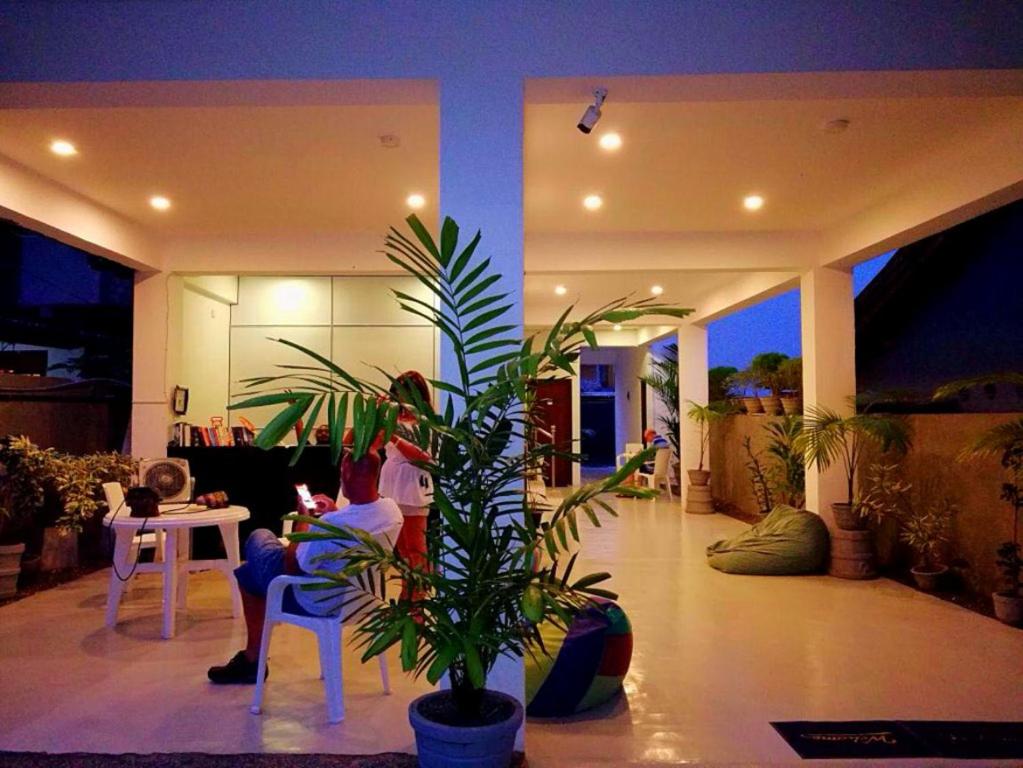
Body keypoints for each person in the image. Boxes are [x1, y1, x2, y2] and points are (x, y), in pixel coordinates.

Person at [207, 450, 402, 685]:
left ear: (347, 473)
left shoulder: (331, 524)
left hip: (316, 600)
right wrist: (334, 513)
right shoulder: (391, 511)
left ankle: (252, 661)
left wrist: (304, 518)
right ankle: (251, 660)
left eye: (341, 474)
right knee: (247, 575)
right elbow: (354, 530)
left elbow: (293, 566)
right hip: (362, 598)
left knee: (259, 537)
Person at [378, 370, 434, 602]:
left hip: (413, 484)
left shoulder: (425, 422)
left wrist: (393, 436)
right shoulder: (394, 418)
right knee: (399, 549)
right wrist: (377, 415)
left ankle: (417, 597)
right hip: (391, 484)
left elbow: (424, 457)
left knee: (416, 548)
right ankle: (407, 591)